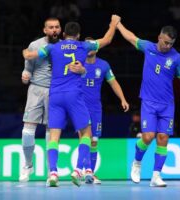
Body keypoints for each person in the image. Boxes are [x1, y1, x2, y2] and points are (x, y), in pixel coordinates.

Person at [23, 15, 121, 187]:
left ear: (63, 34)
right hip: (74, 95)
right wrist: (113, 24)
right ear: (78, 35)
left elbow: (32, 55)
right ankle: (77, 170)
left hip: (55, 96)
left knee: (54, 137)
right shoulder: (84, 45)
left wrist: (26, 53)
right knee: (86, 134)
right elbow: (107, 39)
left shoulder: (52, 47)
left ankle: (53, 173)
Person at [116, 20, 180, 187]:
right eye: (165, 42)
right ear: (159, 37)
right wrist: (118, 25)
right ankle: (137, 163)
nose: (168, 46)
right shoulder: (148, 47)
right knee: (148, 136)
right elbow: (131, 37)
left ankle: (156, 176)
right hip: (149, 102)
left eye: (171, 43)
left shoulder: (177, 58)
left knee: (163, 138)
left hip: (167, 104)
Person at [79, 36, 130, 184]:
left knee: (94, 141)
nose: (89, 47)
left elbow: (113, 83)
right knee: (85, 139)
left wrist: (123, 99)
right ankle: (86, 171)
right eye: (86, 45)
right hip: (80, 107)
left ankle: (90, 173)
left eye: (91, 45)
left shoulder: (103, 65)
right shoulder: (76, 63)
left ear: (96, 47)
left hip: (95, 108)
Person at [19, 18, 62, 182]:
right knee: (27, 131)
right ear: (45, 30)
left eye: (57, 27)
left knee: (52, 132)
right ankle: (28, 165)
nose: (54, 30)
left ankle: (50, 171)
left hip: (57, 91)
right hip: (36, 90)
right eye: (51, 27)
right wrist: (25, 76)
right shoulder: (34, 45)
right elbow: (27, 69)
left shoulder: (65, 46)